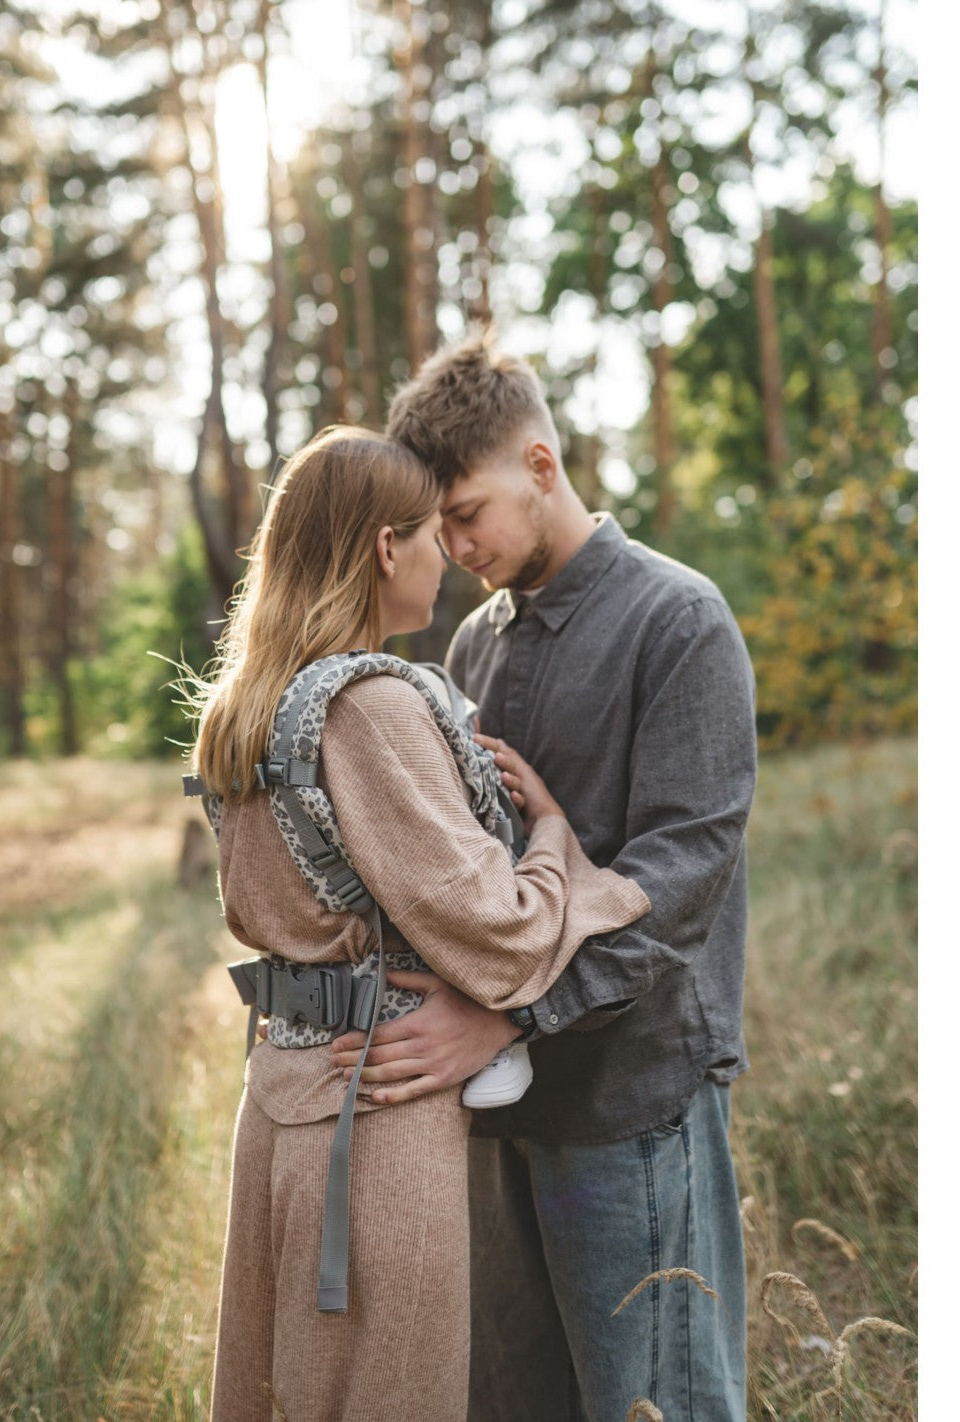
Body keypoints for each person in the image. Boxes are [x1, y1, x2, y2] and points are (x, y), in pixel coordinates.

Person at [331, 334, 757, 1421]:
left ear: (538, 465)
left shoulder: (678, 621)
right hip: (489, 1115)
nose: (455, 542)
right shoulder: (470, 644)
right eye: (438, 526)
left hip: (628, 1098)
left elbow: (683, 872)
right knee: (514, 1400)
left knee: (651, 1402)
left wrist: (511, 1022)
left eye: (466, 510)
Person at [191, 425, 650, 1422]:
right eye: (427, 533)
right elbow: (502, 932)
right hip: (375, 1122)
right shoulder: (372, 706)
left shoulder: (246, 705)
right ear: (380, 548)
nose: (447, 552)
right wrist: (553, 839)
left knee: (288, 1396)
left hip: (278, 1105)